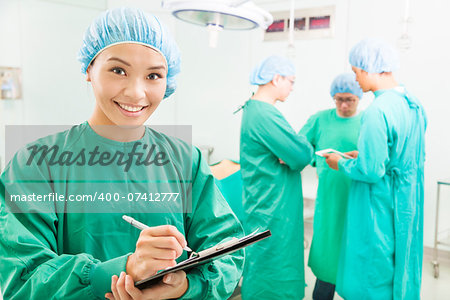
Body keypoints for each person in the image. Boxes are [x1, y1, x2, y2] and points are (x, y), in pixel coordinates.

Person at [0, 7, 244, 300]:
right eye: (118, 70)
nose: (136, 93)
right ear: (89, 69)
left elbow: (226, 250)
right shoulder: (36, 164)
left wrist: (185, 287)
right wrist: (123, 270)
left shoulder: (185, 160)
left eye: (153, 75)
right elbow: (23, 279)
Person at [324, 38, 427, 300]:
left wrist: (342, 163)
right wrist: (366, 155)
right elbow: (400, 156)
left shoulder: (377, 110)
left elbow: (371, 171)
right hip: (407, 200)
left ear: (370, 68)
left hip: (378, 205)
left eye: (357, 72)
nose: (356, 79)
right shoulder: (413, 105)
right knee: (400, 260)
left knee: (373, 267)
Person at [239, 55, 313, 299]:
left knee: (266, 260)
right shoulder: (264, 113)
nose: (292, 87)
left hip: (268, 203)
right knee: (273, 265)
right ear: (276, 78)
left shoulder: (256, 110)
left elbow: (293, 152)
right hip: (274, 208)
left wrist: (293, 150)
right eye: (290, 81)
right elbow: (301, 156)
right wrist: (301, 148)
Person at [299, 73, 363, 300]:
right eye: (339, 99)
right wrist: (318, 159)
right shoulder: (320, 119)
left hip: (358, 198)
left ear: (359, 96)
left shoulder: (367, 123)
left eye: (349, 100)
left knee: (354, 255)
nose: (344, 105)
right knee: (328, 253)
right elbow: (300, 147)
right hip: (329, 198)